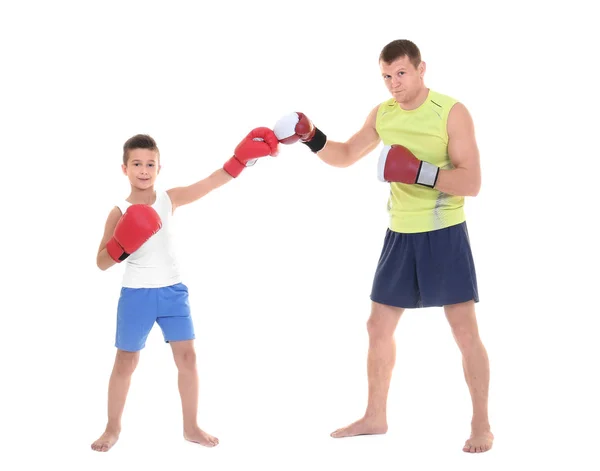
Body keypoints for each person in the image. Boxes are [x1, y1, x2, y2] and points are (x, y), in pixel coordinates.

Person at [273, 39, 493, 453]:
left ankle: (481, 424)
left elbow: (472, 183)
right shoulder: (384, 113)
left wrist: (419, 172)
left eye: (401, 74)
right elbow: (344, 155)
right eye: (387, 76)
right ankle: (375, 416)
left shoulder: (451, 112)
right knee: (377, 326)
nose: (394, 84)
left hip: (443, 231)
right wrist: (311, 136)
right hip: (399, 233)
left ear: (421, 68)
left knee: (464, 330)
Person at [91, 128, 279, 452]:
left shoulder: (168, 199)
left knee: (188, 358)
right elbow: (101, 262)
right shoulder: (118, 212)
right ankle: (112, 428)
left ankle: (191, 427)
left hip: (173, 292)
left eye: (151, 164)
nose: (144, 171)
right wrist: (123, 244)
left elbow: (208, 184)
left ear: (159, 168)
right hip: (136, 294)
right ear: (125, 169)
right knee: (125, 362)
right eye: (137, 164)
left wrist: (240, 161)